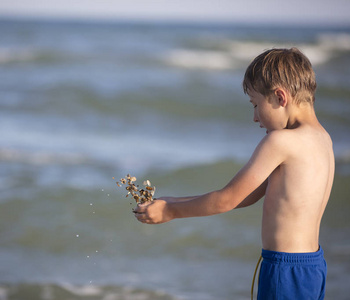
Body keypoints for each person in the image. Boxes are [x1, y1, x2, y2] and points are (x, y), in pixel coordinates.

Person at [133, 48, 334, 300]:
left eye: (256, 104)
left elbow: (226, 199)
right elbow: (245, 196)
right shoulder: (323, 140)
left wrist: (170, 212)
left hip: (284, 270)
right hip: (313, 267)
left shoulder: (280, 142)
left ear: (280, 97)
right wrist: (172, 200)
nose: (254, 117)